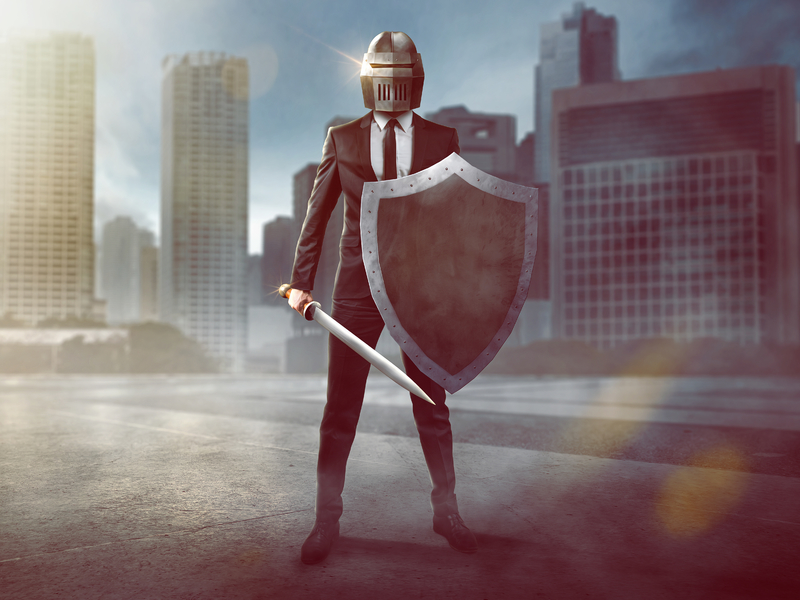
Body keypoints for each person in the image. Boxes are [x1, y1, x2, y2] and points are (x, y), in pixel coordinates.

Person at [288, 31, 477, 565]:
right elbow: (317, 214)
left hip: (421, 293)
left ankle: (447, 511)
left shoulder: (444, 138)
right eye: (383, 76)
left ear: (415, 81)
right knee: (339, 410)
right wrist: (301, 280)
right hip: (355, 290)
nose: (392, 87)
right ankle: (326, 521)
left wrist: (456, 289)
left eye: (402, 76)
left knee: (432, 406)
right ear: (370, 80)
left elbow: (456, 217)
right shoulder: (342, 138)